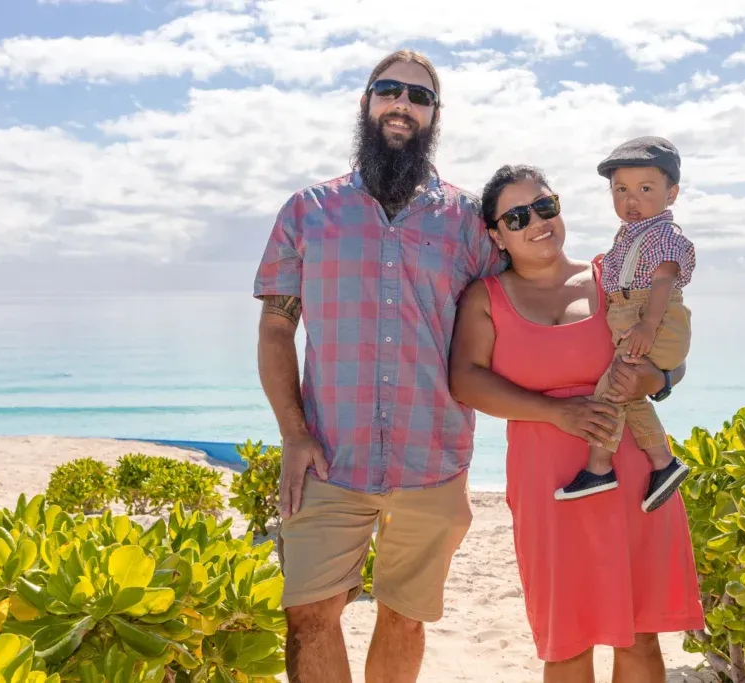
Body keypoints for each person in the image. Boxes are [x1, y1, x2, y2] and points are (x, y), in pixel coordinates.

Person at [253, 49, 505, 683]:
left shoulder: (469, 222)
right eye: (388, 90)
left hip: (435, 456)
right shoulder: (307, 211)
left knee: (404, 616)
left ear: (434, 116)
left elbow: (520, 313)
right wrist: (292, 433)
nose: (403, 104)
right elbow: (277, 328)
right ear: (366, 103)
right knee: (309, 614)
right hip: (329, 456)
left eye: (419, 97)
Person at [449, 164, 706, 681]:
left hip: (637, 477)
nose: (537, 221)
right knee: (564, 640)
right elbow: (466, 383)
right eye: (517, 217)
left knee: (638, 636)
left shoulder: (609, 276)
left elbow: (671, 344)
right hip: (550, 485)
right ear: (496, 235)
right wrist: (554, 411)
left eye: (546, 206)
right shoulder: (486, 297)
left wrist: (655, 380)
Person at [554, 136, 695, 513]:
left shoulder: (663, 233)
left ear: (672, 193)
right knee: (628, 396)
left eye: (646, 188)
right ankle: (664, 464)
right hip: (635, 316)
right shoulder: (631, 235)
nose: (631, 200)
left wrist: (648, 326)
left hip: (654, 319)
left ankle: (599, 468)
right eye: (621, 190)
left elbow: (662, 282)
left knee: (611, 393)